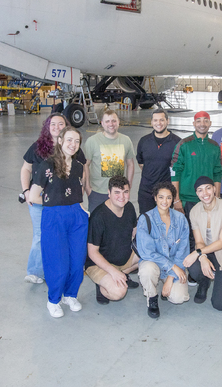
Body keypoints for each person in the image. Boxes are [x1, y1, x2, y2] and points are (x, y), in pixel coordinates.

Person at [20, 113, 87, 284]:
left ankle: (58, 271)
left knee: (60, 236)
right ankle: (35, 271)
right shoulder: (37, 147)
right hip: (39, 200)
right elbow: (26, 169)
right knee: (40, 235)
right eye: (53, 124)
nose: (57, 127)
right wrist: (26, 190)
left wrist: (80, 193)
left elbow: (82, 169)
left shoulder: (72, 146)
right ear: (47, 127)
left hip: (63, 203)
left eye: (61, 124)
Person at [29, 127, 88, 318]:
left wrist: (79, 208)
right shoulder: (47, 166)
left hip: (76, 216)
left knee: (77, 260)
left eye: (77, 141)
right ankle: (53, 299)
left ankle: (70, 295)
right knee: (57, 261)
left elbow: (77, 191)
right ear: (60, 140)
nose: (73, 144)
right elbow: (33, 196)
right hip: (54, 216)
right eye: (69, 140)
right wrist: (54, 203)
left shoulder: (79, 166)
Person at [136, 182, 190, 318]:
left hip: (175, 266)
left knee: (179, 298)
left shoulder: (180, 219)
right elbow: (147, 252)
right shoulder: (145, 219)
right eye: (161, 197)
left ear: (172, 199)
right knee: (147, 270)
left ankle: (166, 284)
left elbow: (183, 251)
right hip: (153, 263)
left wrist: (171, 277)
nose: (164, 201)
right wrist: (172, 266)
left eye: (168, 197)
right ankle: (152, 297)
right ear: (155, 197)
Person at [170, 110, 222, 251]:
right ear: (194, 124)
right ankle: (188, 265)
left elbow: (218, 172)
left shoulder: (214, 146)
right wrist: (176, 199)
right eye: (199, 121)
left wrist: (216, 196)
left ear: (210, 124)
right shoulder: (184, 144)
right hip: (188, 201)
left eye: (205, 120)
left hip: (208, 200)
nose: (202, 124)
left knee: (207, 235)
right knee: (187, 235)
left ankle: (202, 264)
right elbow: (175, 172)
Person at [84, 176, 140, 305]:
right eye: (117, 192)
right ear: (108, 193)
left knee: (151, 256)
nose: (122, 196)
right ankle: (103, 284)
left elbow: (135, 232)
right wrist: (113, 271)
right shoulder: (98, 217)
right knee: (118, 292)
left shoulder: (129, 207)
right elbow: (92, 252)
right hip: (99, 264)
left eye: (125, 192)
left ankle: (121, 274)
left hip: (123, 258)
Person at [182, 176, 222, 309]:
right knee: (193, 266)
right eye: (200, 190)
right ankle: (204, 282)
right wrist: (203, 257)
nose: (205, 193)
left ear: (214, 189)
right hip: (207, 252)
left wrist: (198, 252)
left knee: (219, 304)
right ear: (196, 193)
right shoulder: (194, 211)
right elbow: (199, 241)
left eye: (208, 188)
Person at [83, 110, 135, 213]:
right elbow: (86, 165)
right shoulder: (92, 141)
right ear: (102, 123)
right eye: (107, 121)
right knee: (96, 223)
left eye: (113, 121)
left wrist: (128, 185)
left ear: (118, 122)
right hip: (97, 192)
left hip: (118, 192)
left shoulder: (126, 140)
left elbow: (130, 163)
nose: (111, 124)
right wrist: (88, 187)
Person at [136, 109, 181, 214]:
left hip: (166, 193)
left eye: (162, 120)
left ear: (167, 121)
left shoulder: (177, 142)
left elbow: (179, 169)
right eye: (155, 120)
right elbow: (141, 163)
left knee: (164, 224)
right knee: (146, 223)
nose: (158, 123)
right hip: (146, 192)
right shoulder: (144, 141)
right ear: (151, 122)